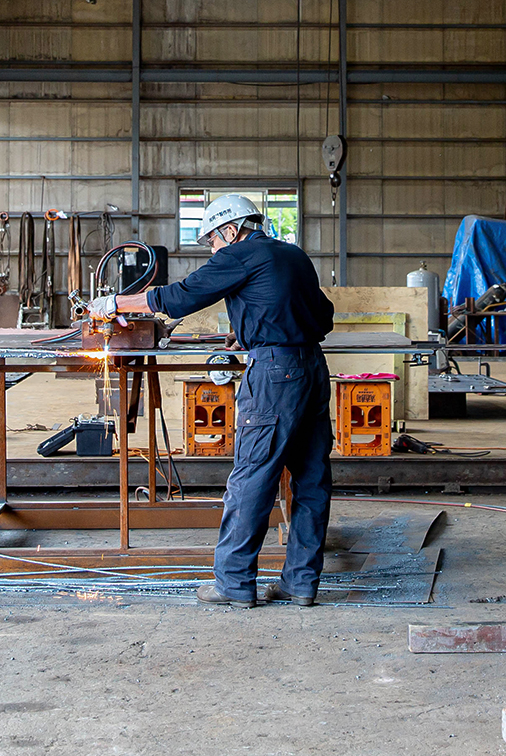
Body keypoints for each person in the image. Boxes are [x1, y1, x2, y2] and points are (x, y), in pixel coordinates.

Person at [87, 195, 335, 608]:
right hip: (312, 368)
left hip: (275, 374)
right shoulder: (293, 255)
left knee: (252, 477)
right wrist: (253, 328)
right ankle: (300, 583)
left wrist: (114, 303)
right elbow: (322, 316)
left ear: (231, 230)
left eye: (213, 242)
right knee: (311, 481)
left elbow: (181, 297)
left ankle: (234, 583)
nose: (214, 250)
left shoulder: (239, 254)